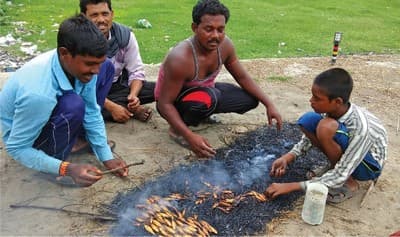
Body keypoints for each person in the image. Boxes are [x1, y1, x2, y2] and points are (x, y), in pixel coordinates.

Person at [0, 14, 128, 187]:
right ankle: (53, 165)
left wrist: (107, 157)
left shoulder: (80, 66)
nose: (95, 71)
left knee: (106, 68)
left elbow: (91, 111)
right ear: (64, 53)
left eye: (97, 62)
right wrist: (66, 169)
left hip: (46, 113)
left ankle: (73, 140)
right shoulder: (38, 94)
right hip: (28, 134)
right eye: (90, 63)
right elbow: (16, 148)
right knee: (73, 105)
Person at [155, 0, 282, 158]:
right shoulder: (181, 58)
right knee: (208, 97)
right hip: (174, 102)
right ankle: (176, 130)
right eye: (208, 29)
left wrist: (269, 104)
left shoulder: (225, 46)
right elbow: (163, 103)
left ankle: (202, 114)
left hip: (204, 93)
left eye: (220, 30)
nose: (215, 36)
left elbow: (242, 76)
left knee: (250, 99)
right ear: (195, 28)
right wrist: (190, 136)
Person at [265, 68, 388, 203]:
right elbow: (307, 140)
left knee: (326, 128)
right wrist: (288, 157)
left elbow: (342, 173)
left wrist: (291, 186)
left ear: (337, 102)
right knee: (308, 120)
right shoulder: (332, 111)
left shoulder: (361, 128)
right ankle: (334, 169)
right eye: (312, 96)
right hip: (353, 156)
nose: (311, 101)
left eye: (317, 98)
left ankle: (350, 183)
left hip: (368, 166)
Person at [80, 0, 155, 123]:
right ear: (84, 17)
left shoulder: (125, 36)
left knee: (157, 90)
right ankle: (126, 109)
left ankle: (127, 106)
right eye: (94, 15)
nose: (101, 20)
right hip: (89, 90)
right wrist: (112, 107)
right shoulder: (77, 40)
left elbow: (136, 70)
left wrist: (133, 96)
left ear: (112, 14)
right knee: (81, 106)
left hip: (118, 86)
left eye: (105, 14)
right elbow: (82, 88)